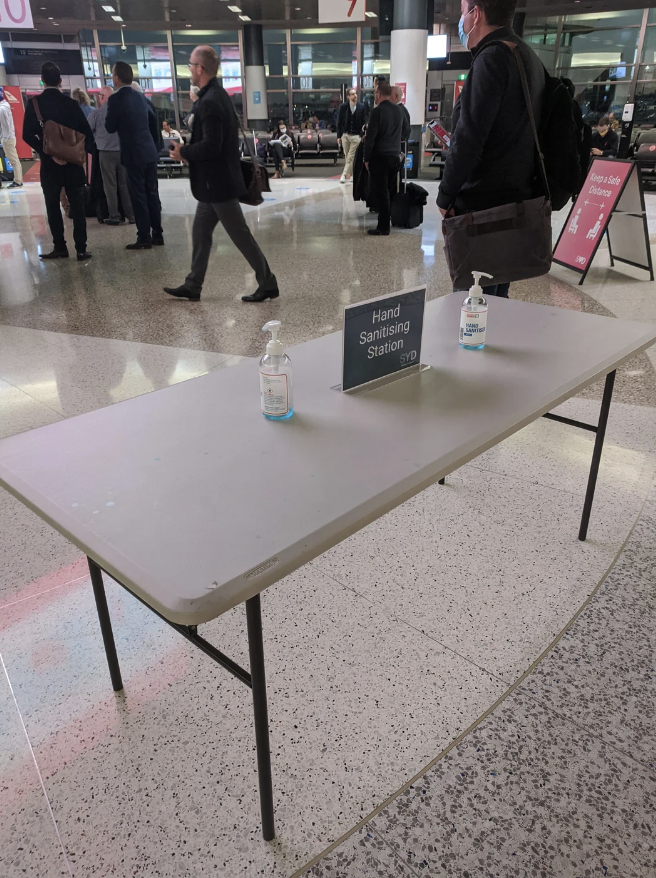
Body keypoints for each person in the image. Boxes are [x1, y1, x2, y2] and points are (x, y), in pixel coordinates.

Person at [436, 0, 545, 298]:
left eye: (462, 12)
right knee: (496, 292)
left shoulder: (492, 58)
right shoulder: (526, 55)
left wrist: (446, 195)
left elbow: (468, 138)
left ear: (477, 13)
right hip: (514, 198)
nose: (461, 20)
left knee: (473, 298)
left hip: (482, 207)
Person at [164, 45, 278, 303]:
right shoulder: (214, 96)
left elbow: (211, 146)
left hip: (218, 184)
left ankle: (268, 282)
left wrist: (185, 152)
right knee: (200, 232)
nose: (190, 70)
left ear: (200, 69)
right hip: (213, 184)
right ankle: (193, 284)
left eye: (191, 66)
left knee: (240, 235)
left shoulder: (212, 101)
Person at [22, 62, 93, 260]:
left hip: (50, 166)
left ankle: (60, 247)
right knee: (77, 206)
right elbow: (87, 135)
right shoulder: (71, 104)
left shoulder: (34, 104)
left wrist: (47, 153)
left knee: (52, 205)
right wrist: (75, 154)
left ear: (42, 80)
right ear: (60, 81)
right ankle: (81, 248)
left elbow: (27, 135)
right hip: (73, 166)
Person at [105, 61, 163, 250]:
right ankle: (158, 234)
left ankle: (144, 236)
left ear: (117, 77)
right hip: (149, 153)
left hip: (133, 155)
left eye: (113, 75)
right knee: (152, 193)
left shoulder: (115, 100)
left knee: (138, 196)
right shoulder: (142, 98)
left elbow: (110, 126)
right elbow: (154, 123)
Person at [363, 81, 410, 236]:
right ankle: (387, 221)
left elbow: (371, 137)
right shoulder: (399, 111)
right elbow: (405, 132)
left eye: (375, 93)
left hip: (380, 157)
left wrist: (366, 158)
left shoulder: (378, 112)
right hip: (394, 157)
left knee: (381, 192)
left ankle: (383, 226)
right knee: (388, 192)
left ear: (379, 93)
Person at [88, 85, 135, 226]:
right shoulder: (123, 112)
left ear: (102, 97)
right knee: (124, 185)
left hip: (105, 153)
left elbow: (87, 130)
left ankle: (114, 215)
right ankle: (131, 215)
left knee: (110, 186)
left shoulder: (96, 113)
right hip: (122, 152)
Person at [337, 87, 367, 184]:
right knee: (347, 156)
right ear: (348, 96)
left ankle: (343, 175)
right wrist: (339, 136)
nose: (355, 95)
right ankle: (353, 174)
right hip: (345, 135)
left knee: (350, 156)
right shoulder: (343, 107)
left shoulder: (361, 107)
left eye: (356, 93)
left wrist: (362, 134)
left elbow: (364, 121)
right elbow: (339, 122)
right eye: (353, 94)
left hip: (356, 136)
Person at [0, 87, 23, 189]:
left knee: (13, 160)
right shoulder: (6, 105)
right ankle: (18, 180)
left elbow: (6, 127)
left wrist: (4, 139)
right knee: (15, 160)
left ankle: (18, 181)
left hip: (7, 138)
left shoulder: (2, 109)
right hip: (8, 137)